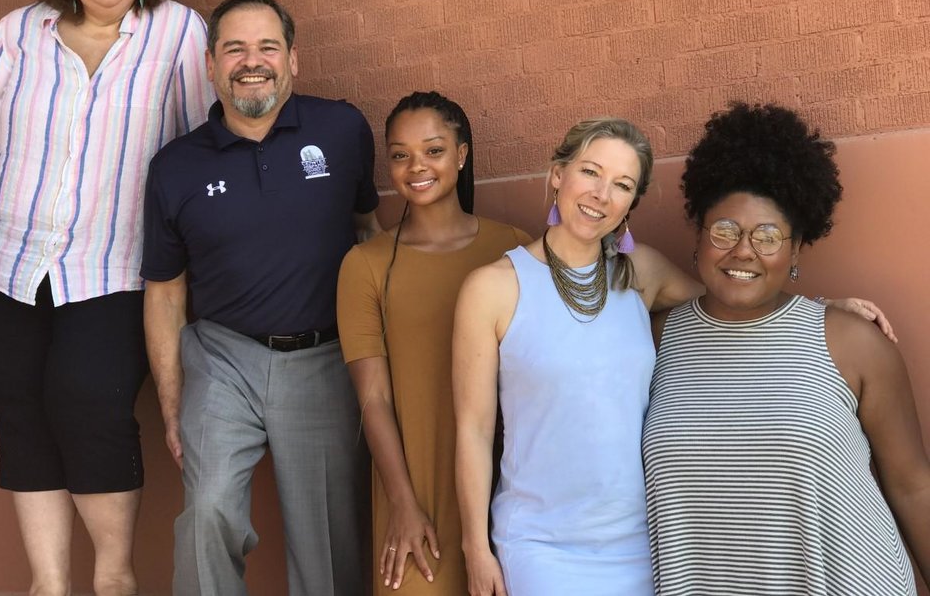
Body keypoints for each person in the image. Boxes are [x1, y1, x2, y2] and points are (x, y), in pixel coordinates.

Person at [452, 117, 895, 596]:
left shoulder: (639, 272)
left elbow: (737, 298)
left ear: (631, 204)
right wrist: (475, 548)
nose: (601, 194)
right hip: (541, 544)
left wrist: (821, 308)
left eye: (622, 185)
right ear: (559, 173)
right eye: (590, 172)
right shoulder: (492, 288)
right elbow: (474, 430)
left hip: (641, 543)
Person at [0, 0, 212, 596]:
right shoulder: (18, 33)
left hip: (115, 267)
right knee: (22, 413)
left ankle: (113, 576)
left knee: (90, 403)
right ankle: (49, 583)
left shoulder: (178, 33)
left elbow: (203, 148)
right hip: (6, 261)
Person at [142, 0, 381, 596]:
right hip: (222, 359)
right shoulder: (174, 167)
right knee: (207, 514)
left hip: (325, 356)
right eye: (235, 49)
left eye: (267, 47)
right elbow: (165, 294)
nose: (252, 62)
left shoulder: (342, 130)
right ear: (210, 64)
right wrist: (172, 407)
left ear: (293, 59)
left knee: (330, 549)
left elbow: (368, 234)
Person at [642, 103, 930, 595]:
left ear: (796, 249)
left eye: (768, 236)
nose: (744, 249)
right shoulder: (655, 340)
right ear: (699, 237)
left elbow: (912, 486)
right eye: (725, 230)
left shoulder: (850, 341)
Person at [338, 91, 531, 594]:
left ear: (462, 154)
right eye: (400, 155)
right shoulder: (365, 265)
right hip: (415, 491)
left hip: (511, 489)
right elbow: (373, 399)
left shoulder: (514, 248)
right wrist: (402, 503)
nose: (416, 166)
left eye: (434, 150)